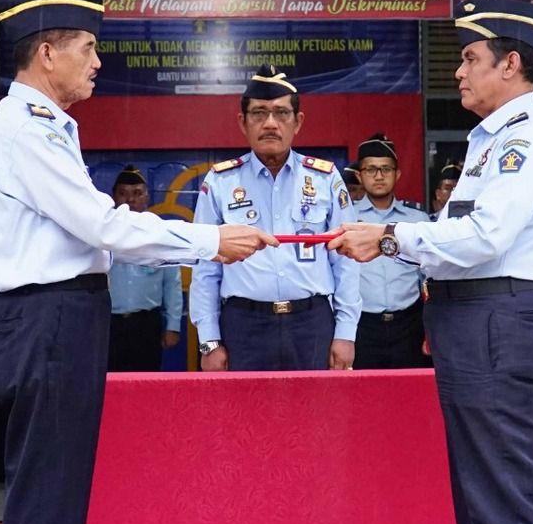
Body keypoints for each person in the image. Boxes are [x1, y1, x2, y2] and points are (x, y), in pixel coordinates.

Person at [0, 0, 274, 524]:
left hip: (56, 316)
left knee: (59, 491)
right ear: (46, 55)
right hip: (48, 318)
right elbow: (101, 224)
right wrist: (210, 241)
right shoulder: (26, 128)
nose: (97, 61)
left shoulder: (46, 125)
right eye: (87, 47)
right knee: (48, 494)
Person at [329, 0, 533, 524]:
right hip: (475, 320)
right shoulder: (489, 139)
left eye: (469, 58)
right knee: (475, 494)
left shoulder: (525, 141)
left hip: (497, 318)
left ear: (510, 64)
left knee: (502, 498)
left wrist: (388, 238)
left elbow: (485, 236)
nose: (458, 72)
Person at [190, 64, 359, 371]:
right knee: (243, 417)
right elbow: (205, 269)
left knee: (316, 415)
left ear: (298, 122)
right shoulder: (220, 182)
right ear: (242, 122)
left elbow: (345, 262)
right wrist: (209, 341)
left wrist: (346, 333)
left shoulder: (325, 178)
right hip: (243, 326)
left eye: (281, 113)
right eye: (259, 113)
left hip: (313, 324)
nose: (270, 123)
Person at [351, 133, 430, 369]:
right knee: (363, 397)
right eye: (371, 169)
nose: (378, 176)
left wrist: (431, 329)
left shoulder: (418, 220)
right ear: (359, 175)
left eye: (386, 169)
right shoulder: (347, 219)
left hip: (409, 324)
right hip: (362, 326)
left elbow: (428, 279)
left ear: (397, 174)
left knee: (409, 396)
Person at [108, 165, 184, 371]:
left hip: (146, 323)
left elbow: (172, 285)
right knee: (108, 388)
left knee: (146, 385)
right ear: (113, 197)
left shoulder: (159, 233)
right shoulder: (102, 234)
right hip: (108, 324)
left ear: (147, 197)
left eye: (137, 193)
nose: (130, 200)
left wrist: (173, 326)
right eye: (123, 193)